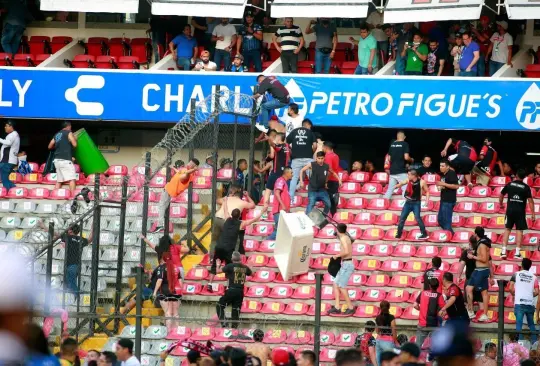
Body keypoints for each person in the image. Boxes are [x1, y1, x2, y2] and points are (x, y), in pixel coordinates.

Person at [207, 207, 264, 290]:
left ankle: (210, 283)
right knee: (230, 267)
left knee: (214, 266)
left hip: (219, 246)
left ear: (232, 214)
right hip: (229, 248)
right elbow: (253, 220)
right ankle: (228, 286)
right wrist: (261, 212)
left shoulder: (227, 219)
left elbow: (226, 210)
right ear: (239, 216)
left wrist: (225, 201)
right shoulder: (240, 223)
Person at [154, 158, 199, 233]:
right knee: (163, 206)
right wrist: (173, 168)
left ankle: (160, 225)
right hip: (169, 190)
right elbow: (179, 172)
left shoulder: (188, 175)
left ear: (193, 166)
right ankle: (161, 224)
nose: (188, 164)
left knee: (161, 206)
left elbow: (184, 175)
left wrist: (193, 170)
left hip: (169, 190)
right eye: (189, 162)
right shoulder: (185, 169)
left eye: (191, 164)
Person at [500, 169, 535, 259]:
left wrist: (500, 204)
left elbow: (501, 194)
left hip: (510, 211)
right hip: (520, 212)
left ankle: (503, 252)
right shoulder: (526, 187)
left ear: (516, 175)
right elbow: (530, 201)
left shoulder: (510, 184)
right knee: (519, 231)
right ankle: (517, 253)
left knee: (507, 229)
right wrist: (533, 213)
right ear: (524, 177)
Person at [216, 251, 252, 328]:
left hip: (231, 290)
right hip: (240, 292)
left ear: (232, 258)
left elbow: (218, 271)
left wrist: (218, 265)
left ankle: (224, 322)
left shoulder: (230, 266)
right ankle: (234, 328)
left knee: (219, 305)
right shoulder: (245, 267)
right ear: (241, 259)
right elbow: (251, 273)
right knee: (236, 310)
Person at [327, 223, 355, 316]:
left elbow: (346, 251)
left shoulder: (343, 238)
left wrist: (336, 256)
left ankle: (350, 307)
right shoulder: (346, 237)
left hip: (347, 264)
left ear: (338, 230)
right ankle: (337, 307)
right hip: (345, 264)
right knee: (335, 283)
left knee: (341, 286)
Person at [394, 169, 429, 240]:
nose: (408, 176)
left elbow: (427, 191)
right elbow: (402, 183)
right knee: (402, 218)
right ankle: (399, 233)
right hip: (408, 202)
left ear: (413, 176)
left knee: (418, 218)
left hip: (416, 203)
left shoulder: (422, 182)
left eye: (409, 174)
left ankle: (424, 233)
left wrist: (427, 201)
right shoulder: (408, 180)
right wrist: (396, 186)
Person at [465, 226, 491, 322]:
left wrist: (473, 257)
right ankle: (471, 311)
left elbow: (484, 259)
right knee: (469, 288)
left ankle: (484, 314)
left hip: (481, 270)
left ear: (476, 234)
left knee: (484, 293)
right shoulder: (482, 243)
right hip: (479, 270)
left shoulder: (482, 245)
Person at [302, 151, 340, 216]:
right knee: (311, 204)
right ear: (316, 158)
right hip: (312, 189)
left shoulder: (326, 166)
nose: (320, 160)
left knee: (328, 204)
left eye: (322, 158)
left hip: (322, 190)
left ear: (324, 158)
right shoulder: (312, 164)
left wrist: (339, 180)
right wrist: (301, 181)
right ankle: (307, 218)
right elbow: (302, 170)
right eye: (319, 158)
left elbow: (333, 173)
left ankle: (323, 217)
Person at [510, 258, 539, 344]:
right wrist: (530, 295)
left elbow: (510, 288)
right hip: (530, 303)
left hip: (519, 303)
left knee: (519, 325)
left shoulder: (516, 274)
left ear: (521, 265)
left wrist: (514, 295)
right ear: (530, 267)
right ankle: (535, 343)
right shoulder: (534, 277)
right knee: (531, 324)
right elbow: (537, 292)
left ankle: (520, 344)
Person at [287, 118, 316, 199]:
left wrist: (291, 151)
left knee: (294, 178)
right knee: (312, 178)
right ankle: (314, 199)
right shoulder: (310, 132)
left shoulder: (294, 131)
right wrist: (311, 153)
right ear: (308, 125)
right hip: (308, 159)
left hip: (296, 159)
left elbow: (286, 143)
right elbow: (315, 146)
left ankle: (290, 199)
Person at [153, 252, 182, 331]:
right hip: (176, 291)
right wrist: (181, 291)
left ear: (163, 259)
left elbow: (159, 280)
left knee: (168, 313)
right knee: (175, 313)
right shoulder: (176, 267)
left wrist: (155, 292)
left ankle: (168, 332)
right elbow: (180, 281)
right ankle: (177, 332)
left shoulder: (161, 267)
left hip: (165, 291)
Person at [48, 121, 78, 195]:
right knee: (72, 179)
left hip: (57, 160)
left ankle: (54, 195)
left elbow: (49, 146)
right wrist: (74, 138)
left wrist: (59, 146)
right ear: (69, 126)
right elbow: (75, 144)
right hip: (65, 160)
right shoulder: (68, 132)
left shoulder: (57, 134)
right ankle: (73, 198)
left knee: (59, 180)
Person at [414, 278, 445, 347]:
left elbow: (415, 305)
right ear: (437, 286)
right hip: (434, 324)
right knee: (435, 345)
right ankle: (433, 357)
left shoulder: (422, 293)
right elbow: (443, 310)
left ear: (429, 285)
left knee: (418, 345)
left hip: (422, 323)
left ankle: (415, 357)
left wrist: (421, 310)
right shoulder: (439, 295)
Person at [384, 131, 413, 199]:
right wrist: (411, 159)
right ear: (404, 137)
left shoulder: (392, 145)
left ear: (397, 137)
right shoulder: (405, 144)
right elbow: (406, 157)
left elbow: (389, 158)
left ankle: (384, 202)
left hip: (392, 171)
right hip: (401, 171)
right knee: (405, 189)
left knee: (390, 190)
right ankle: (404, 206)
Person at [268, 166, 293, 241]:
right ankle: (267, 242)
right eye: (291, 173)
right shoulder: (280, 181)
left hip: (283, 211)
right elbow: (276, 193)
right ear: (287, 173)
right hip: (280, 211)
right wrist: (283, 205)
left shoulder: (284, 182)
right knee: (278, 231)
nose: (292, 174)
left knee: (281, 231)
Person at [437, 159, 460, 235]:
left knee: (446, 222)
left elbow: (456, 186)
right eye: (440, 165)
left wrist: (443, 185)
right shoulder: (444, 174)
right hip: (443, 200)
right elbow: (446, 185)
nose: (441, 167)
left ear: (447, 167)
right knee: (440, 219)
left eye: (443, 166)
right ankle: (450, 234)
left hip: (448, 201)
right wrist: (440, 187)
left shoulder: (451, 173)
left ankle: (449, 235)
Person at [375, 300, 398, 366]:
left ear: (380, 307)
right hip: (388, 341)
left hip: (378, 341)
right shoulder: (391, 317)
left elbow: (377, 331)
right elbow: (394, 331)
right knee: (390, 362)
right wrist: (395, 341)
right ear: (389, 307)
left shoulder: (378, 317)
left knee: (379, 362)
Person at [323, 141, 343, 215]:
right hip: (335, 180)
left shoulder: (328, 156)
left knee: (328, 198)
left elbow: (329, 170)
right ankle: (333, 215)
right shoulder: (336, 155)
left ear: (326, 147)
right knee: (331, 199)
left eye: (322, 147)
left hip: (330, 180)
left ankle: (324, 215)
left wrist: (326, 181)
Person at [0, 120, 20, 190]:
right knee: (5, 179)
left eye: (6, 126)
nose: (5, 127)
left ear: (11, 126)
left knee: (4, 179)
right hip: (8, 161)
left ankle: (11, 192)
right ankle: (15, 190)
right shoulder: (14, 134)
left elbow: (8, 143)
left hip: (7, 161)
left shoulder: (13, 134)